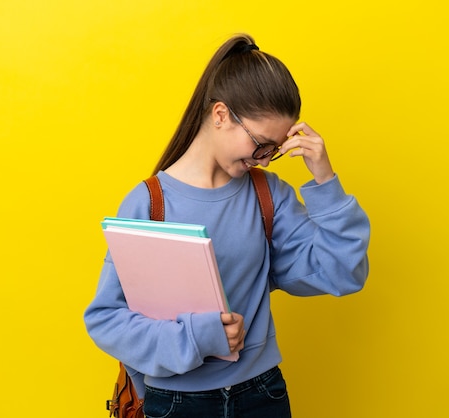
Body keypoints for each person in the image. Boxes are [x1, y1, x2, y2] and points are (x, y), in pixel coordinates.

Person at [85, 33, 370, 418]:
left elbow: (344, 273)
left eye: (275, 150)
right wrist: (198, 337)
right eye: (261, 144)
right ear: (221, 116)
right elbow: (106, 319)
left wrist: (325, 181)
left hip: (262, 395)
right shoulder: (150, 203)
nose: (266, 160)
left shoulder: (269, 196)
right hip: (175, 404)